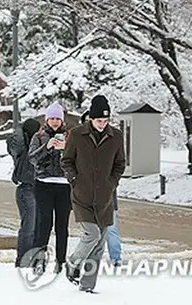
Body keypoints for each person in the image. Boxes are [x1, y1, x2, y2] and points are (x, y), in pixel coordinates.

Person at [61, 95, 126, 293]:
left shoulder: (115, 136)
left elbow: (120, 164)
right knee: (92, 234)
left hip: (105, 198)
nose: (102, 124)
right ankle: (72, 263)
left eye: (105, 120)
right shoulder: (76, 134)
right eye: (99, 120)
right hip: (82, 195)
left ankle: (87, 286)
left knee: (99, 245)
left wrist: (111, 183)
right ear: (91, 118)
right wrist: (74, 180)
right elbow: (66, 161)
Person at [27, 102, 71, 275]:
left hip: (64, 185)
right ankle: (39, 260)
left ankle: (61, 261)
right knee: (44, 223)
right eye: (51, 118)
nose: (54, 122)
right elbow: (32, 158)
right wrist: (47, 147)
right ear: (46, 119)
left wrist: (65, 148)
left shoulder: (69, 136)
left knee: (62, 225)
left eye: (57, 118)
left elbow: (77, 158)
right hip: (43, 184)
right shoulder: (39, 136)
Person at [81, 110, 123, 267]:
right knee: (91, 231)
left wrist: (111, 183)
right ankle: (87, 263)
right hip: (86, 196)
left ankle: (116, 258)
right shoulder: (80, 140)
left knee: (110, 228)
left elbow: (118, 165)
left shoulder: (111, 140)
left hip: (106, 194)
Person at [7, 117, 41, 267]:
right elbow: (13, 144)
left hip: (40, 187)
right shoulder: (20, 147)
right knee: (29, 226)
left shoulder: (38, 144)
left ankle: (34, 258)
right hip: (26, 188)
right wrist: (20, 130)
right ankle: (23, 260)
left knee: (38, 226)